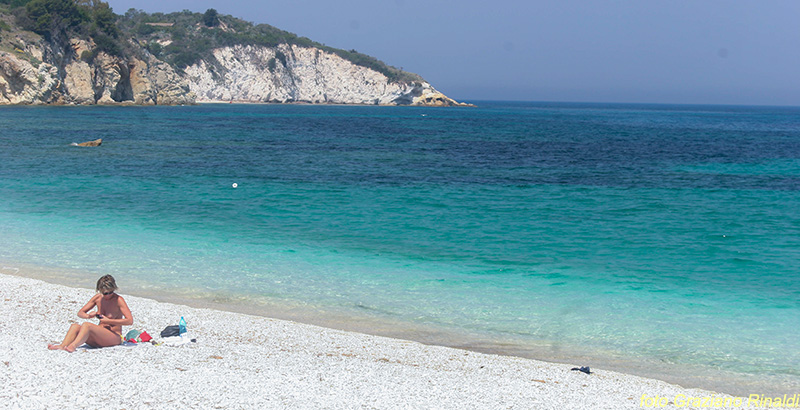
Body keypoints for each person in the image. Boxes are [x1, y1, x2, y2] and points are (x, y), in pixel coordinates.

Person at [47, 275, 133, 352]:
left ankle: (73, 345)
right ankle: (62, 346)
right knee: (75, 326)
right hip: (99, 337)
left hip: (114, 337)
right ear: (100, 291)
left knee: (87, 325)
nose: (108, 295)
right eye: (105, 293)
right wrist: (89, 316)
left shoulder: (118, 300)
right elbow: (80, 313)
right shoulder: (98, 298)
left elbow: (129, 321)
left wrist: (109, 321)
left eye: (111, 292)